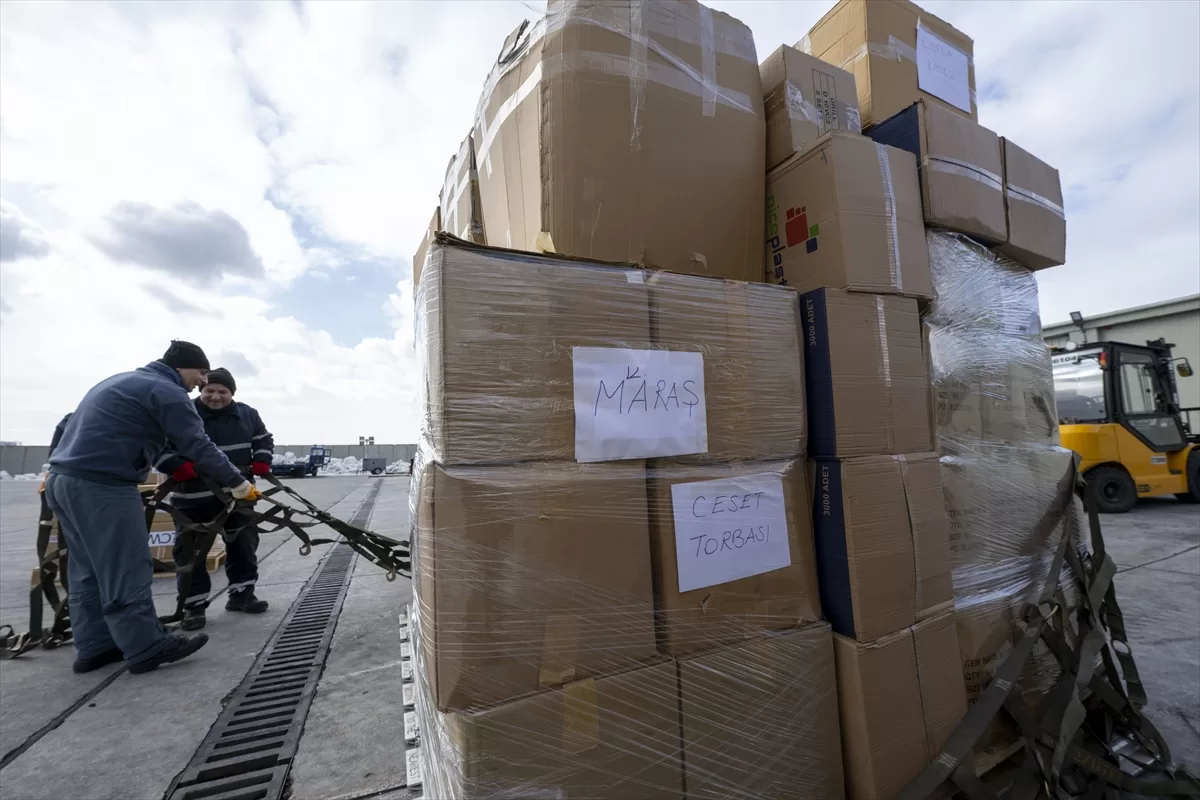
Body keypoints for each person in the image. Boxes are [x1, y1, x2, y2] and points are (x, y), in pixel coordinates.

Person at [45, 341, 260, 675]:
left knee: (88, 569)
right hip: (105, 486)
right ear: (182, 367)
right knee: (126, 567)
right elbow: (197, 444)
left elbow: (66, 424)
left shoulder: (119, 382)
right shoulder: (167, 391)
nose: (202, 382)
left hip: (65, 481)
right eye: (201, 373)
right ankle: (146, 646)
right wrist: (238, 483)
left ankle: (96, 645)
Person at [156, 368, 274, 631]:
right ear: (201, 390)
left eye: (223, 392)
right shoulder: (182, 413)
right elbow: (157, 446)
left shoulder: (248, 414)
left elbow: (263, 439)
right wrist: (175, 465)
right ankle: (193, 606)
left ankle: (242, 594)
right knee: (191, 553)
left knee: (243, 545)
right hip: (192, 498)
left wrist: (262, 458)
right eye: (210, 391)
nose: (216, 397)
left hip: (239, 495)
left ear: (232, 393)